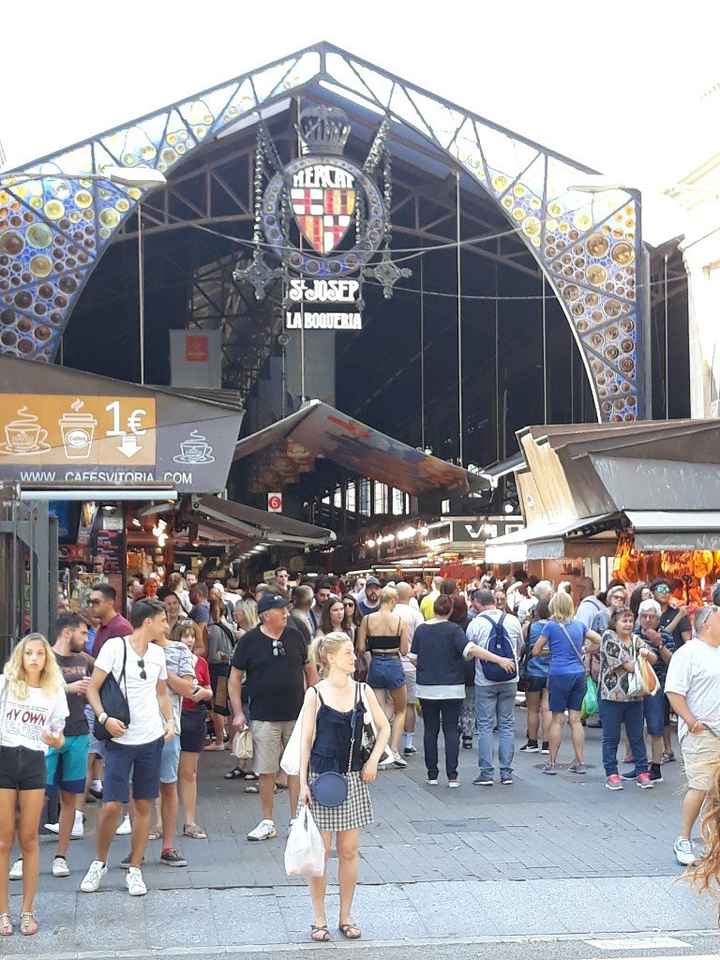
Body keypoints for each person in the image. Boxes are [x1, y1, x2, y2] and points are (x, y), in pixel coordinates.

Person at [298, 632, 390, 942]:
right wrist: (302, 784)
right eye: (349, 653)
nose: (355, 657)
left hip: (353, 777)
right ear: (331, 659)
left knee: (349, 852)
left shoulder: (363, 691)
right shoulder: (315, 694)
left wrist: (374, 759)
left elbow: (384, 726)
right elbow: (305, 741)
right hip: (323, 779)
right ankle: (319, 917)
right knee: (320, 852)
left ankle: (346, 915)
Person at [80, 599, 175, 897]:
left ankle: (135, 867)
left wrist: (170, 721)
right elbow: (93, 688)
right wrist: (104, 718)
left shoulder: (159, 653)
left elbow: (161, 692)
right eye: (163, 620)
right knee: (111, 804)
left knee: (144, 803)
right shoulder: (114, 648)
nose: (166, 626)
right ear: (148, 622)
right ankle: (99, 861)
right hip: (120, 738)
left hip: (151, 737)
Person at [229, 593, 319, 842]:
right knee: (266, 771)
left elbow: (310, 671)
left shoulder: (295, 636)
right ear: (267, 615)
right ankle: (267, 821)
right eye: (281, 610)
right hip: (263, 716)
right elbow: (234, 679)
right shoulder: (249, 641)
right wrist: (238, 712)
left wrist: (314, 704)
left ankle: (296, 819)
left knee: (296, 768)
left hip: (296, 714)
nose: (287, 613)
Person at [0, 634, 67, 937]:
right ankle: (3, 912)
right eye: (29, 653)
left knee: (29, 838)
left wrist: (55, 740)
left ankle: (27, 912)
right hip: (4, 756)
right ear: (21, 656)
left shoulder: (54, 691)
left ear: (46, 659)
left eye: (40, 653)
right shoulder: (5, 684)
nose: (35, 658)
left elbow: (59, 735)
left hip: (33, 762)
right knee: (2, 841)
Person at [666, 604, 720, 866]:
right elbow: (674, 691)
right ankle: (683, 839)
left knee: (716, 792)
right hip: (702, 732)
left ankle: (712, 843)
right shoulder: (688, 653)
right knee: (700, 786)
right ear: (706, 624)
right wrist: (691, 720)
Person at [43, 614, 92, 877]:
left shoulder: (85, 660)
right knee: (35, 795)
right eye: (83, 633)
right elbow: (34, 693)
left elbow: (98, 684)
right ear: (67, 632)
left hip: (78, 731)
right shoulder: (44, 658)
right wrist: (68, 688)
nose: (86, 639)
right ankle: (22, 855)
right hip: (48, 735)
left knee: (70, 797)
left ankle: (60, 856)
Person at [532, 591, 600, 776]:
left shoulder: (551, 627)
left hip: (559, 674)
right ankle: (579, 761)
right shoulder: (580, 625)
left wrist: (551, 651)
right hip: (578, 674)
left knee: (557, 719)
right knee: (576, 720)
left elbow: (536, 650)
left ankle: (552, 762)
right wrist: (586, 649)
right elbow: (599, 640)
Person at [149, 615, 198, 867]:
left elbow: (188, 689)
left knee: (168, 783)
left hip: (169, 727)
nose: (164, 625)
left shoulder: (179, 650)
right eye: (159, 620)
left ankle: (168, 846)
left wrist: (162, 671)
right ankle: (138, 848)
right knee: (137, 789)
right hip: (137, 729)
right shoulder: (131, 648)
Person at [465, 589, 523, 786]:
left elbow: (469, 652)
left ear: (478, 604)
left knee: (485, 726)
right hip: (509, 679)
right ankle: (506, 772)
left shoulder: (475, 624)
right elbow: (519, 647)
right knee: (507, 724)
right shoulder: (513, 620)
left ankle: (486, 772)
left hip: (485, 681)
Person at [411, 596, 468, 787]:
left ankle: (432, 774)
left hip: (427, 687)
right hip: (453, 687)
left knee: (430, 730)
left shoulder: (422, 630)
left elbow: (413, 657)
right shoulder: (455, 630)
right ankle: (452, 775)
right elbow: (466, 652)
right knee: (451, 730)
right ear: (450, 610)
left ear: (433, 609)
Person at [597, 606, 655, 791]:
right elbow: (628, 665)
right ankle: (612, 774)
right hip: (611, 696)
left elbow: (652, 657)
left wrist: (647, 654)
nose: (628, 624)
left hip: (634, 697)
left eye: (630, 621)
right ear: (615, 622)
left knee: (637, 736)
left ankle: (642, 772)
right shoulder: (609, 637)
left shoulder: (635, 639)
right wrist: (642, 658)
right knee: (611, 737)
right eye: (624, 620)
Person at [356, 586, 410, 767]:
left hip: (376, 664)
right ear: (393, 601)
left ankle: (381, 752)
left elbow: (361, 648)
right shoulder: (400, 621)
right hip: (394, 663)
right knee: (400, 709)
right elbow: (404, 651)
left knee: (377, 711)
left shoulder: (367, 619)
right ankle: (394, 750)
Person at [175, 621, 212, 839]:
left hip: (193, 716)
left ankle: (190, 821)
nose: (188, 640)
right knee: (166, 774)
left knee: (189, 773)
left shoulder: (201, 663)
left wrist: (202, 693)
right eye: (184, 636)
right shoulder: (166, 660)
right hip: (172, 715)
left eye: (191, 636)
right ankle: (159, 823)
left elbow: (210, 690)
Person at [633, 598, 675, 783]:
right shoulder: (632, 633)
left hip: (656, 688)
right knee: (634, 728)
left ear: (658, 619)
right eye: (644, 616)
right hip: (635, 686)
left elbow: (671, 661)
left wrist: (658, 644)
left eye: (652, 617)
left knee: (655, 728)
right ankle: (641, 767)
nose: (648, 620)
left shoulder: (665, 635)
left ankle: (656, 768)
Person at [394, 583, 424, 755]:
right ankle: (408, 743)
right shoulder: (415, 615)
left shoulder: (390, 613)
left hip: (392, 662)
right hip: (411, 664)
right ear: (411, 596)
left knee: (393, 705)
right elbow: (423, 639)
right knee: (410, 704)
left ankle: (392, 744)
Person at [205, 595, 237, 751]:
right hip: (229, 668)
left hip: (217, 669)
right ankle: (232, 739)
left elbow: (212, 655)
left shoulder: (213, 630)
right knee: (227, 706)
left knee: (218, 706)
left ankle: (219, 740)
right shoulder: (230, 626)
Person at [520, 599, 552, 754]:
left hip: (533, 671)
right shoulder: (555, 628)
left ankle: (532, 742)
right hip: (551, 671)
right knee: (547, 708)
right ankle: (547, 744)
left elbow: (522, 646)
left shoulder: (530, 627)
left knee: (532, 709)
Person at [89, 583, 132, 658]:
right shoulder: (102, 625)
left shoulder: (121, 628)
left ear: (110, 603)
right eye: (90, 602)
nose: (92, 606)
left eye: (96, 602)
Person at [652, 579, 691, 658]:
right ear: (653, 593)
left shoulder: (678, 612)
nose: (664, 593)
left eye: (667, 590)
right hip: (655, 658)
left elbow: (687, 639)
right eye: (660, 590)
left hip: (677, 657)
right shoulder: (649, 615)